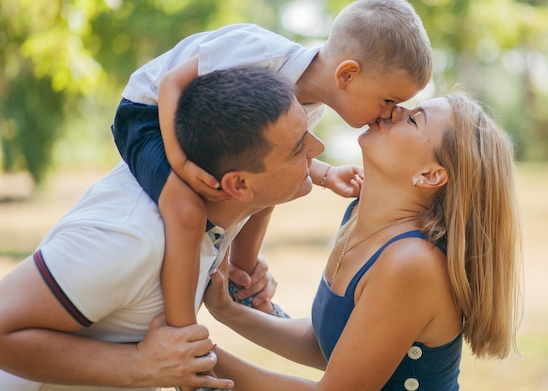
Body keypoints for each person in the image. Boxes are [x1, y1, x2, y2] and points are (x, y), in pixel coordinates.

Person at [111, 0, 432, 337]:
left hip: (202, 129)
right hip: (149, 113)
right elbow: (172, 83)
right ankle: (182, 337)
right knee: (186, 210)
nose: (390, 114)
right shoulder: (261, 52)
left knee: (276, 185)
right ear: (347, 74)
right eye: (389, 101)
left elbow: (282, 156)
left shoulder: (310, 106)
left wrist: (326, 175)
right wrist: (179, 162)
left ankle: (243, 278)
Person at [0, 66, 325, 391]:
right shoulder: (131, 239)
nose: (318, 148)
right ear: (237, 184)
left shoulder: (219, 212)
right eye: (298, 147)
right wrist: (136, 366)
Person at [203, 90, 523, 390]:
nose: (397, 109)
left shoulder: (412, 263)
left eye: (414, 119)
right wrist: (228, 311)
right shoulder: (357, 217)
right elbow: (326, 342)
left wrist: (202, 361)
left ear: (429, 175)